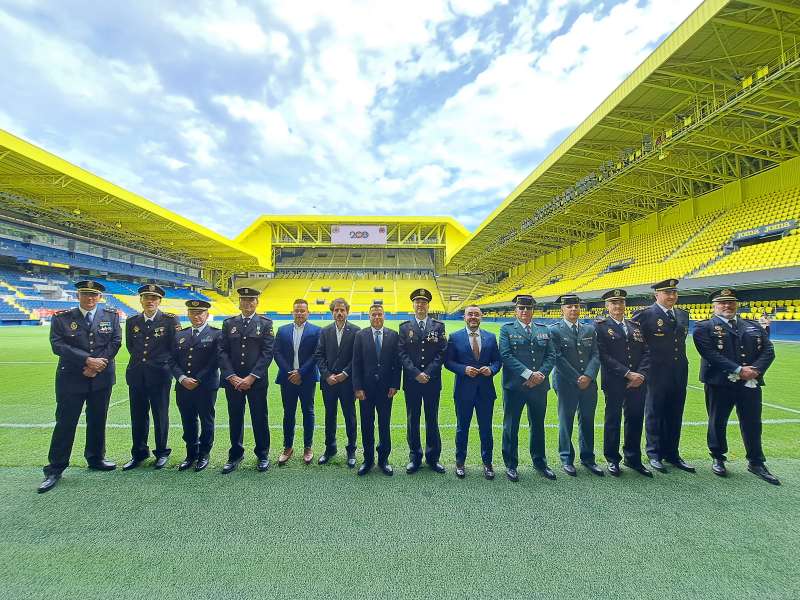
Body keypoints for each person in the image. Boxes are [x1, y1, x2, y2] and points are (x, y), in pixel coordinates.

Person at [38, 281, 121, 493]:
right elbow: (58, 345)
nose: (90, 298)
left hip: (101, 377)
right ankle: (55, 467)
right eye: (86, 294)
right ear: (78, 295)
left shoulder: (111, 316)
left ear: (100, 297)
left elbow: (115, 342)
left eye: (94, 295)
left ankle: (95, 458)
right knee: (66, 422)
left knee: (97, 420)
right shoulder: (62, 317)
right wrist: (87, 361)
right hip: (72, 377)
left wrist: (97, 365)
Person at [692, 288, 779, 485]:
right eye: (722, 303)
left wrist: (755, 370)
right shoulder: (703, 327)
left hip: (750, 382)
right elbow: (710, 354)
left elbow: (768, 350)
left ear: (736, 304)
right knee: (717, 421)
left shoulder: (752, 326)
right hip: (719, 383)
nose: (727, 306)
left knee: (752, 423)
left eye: (730, 302)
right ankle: (718, 457)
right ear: (714, 306)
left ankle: (756, 461)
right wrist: (739, 369)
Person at [631, 279, 695, 474]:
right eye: (667, 293)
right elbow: (637, 346)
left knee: (675, 413)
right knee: (654, 413)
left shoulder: (683, 315)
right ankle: (654, 453)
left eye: (674, 292)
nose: (671, 296)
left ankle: (672, 453)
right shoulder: (645, 315)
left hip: (678, 372)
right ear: (656, 295)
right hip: (655, 373)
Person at [122, 284, 181, 471]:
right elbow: (131, 347)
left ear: (159, 301)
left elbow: (175, 348)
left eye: (154, 298)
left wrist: (161, 364)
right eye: (146, 298)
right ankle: (138, 453)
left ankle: (162, 452)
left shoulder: (170, 320)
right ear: (140, 300)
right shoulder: (132, 321)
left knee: (160, 415)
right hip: (137, 374)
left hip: (160, 374)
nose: (150, 301)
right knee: (137, 416)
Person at [498, 294, 557, 482]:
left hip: (539, 387)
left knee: (538, 426)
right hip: (515, 387)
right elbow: (506, 356)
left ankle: (540, 462)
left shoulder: (544, 329)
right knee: (511, 426)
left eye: (528, 308)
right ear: (515, 310)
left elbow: (551, 355)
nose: (525, 311)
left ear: (533, 310)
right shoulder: (506, 330)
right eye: (521, 308)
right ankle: (511, 464)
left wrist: (540, 375)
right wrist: (528, 374)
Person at [594, 289, 651, 477]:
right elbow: (603, 356)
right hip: (615, 381)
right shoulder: (600, 326)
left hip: (638, 382)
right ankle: (612, 459)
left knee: (635, 419)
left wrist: (640, 374)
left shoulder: (635, 325)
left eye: (620, 303)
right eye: (613, 303)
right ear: (607, 306)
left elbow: (646, 352)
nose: (618, 306)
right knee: (613, 420)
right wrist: (628, 373)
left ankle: (633, 458)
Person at [218, 287, 274, 474]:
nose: (248, 303)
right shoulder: (229, 323)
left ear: (257, 302)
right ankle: (235, 454)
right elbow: (222, 351)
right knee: (235, 418)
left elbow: (267, 353)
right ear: (239, 302)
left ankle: (263, 454)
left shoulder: (265, 324)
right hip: (233, 382)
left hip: (255, 381)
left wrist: (251, 377)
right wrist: (231, 376)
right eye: (244, 300)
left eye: (252, 300)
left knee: (259, 417)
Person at [444, 305, 501, 479]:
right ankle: (460, 462)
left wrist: (491, 369)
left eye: (476, 314)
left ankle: (487, 463)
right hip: (463, 391)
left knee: (486, 429)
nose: (473, 317)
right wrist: (463, 369)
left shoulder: (491, 337)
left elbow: (497, 361)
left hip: (485, 391)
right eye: (470, 314)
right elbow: (448, 362)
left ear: (481, 317)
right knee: (462, 428)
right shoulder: (455, 337)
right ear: (465, 317)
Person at [548, 294, 602, 476]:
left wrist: (588, 376)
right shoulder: (554, 330)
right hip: (565, 382)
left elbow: (596, 355)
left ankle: (588, 458)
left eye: (576, 307)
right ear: (562, 310)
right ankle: (566, 458)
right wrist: (576, 377)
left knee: (587, 419)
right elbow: (557, 357)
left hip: (589, 382)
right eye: (569, 307)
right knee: (566, 419)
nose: (573, 310)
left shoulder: (589, 329)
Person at [398, 288, 448, 474]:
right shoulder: (405, 327)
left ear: (428, 305)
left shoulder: (438, 326)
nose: (420, 305)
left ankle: (433, 458)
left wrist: (427, 372)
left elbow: (442, 352)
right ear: (413, 305)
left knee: (432, 419)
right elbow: (401, 353)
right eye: (417, 302)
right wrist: (415, 373)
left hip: (432, 381)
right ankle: (415, 457)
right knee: (413, 419)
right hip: (412, 382)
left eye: (424, 302)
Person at [170, 300, 221, 472]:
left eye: (200, 313)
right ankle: (191, 454)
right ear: (188, 314)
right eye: (193, 312)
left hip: (205, 386)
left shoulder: (216, 334)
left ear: (207, 315)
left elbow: (214, 361)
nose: (197, 316)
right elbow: (171, 360)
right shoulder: (179, 335)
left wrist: (197, 379)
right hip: (183, 386)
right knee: (188, 420)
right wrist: (182, 378)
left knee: (207, 420)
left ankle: (204, 454)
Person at [351, 304, 401, 476]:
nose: (377, 317)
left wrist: (395, 385)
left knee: (384, 425)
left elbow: (397, 364)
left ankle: (383, 460)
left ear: (384, 316)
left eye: (379, 314)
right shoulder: (360, 335)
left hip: (386, 390)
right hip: (365, 390)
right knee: (366, 425)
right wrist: (357, 388)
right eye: (374, 315)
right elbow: (356, 364)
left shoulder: (393, 335)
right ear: (369, 317)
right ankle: (368, 459)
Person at [314, 298, 360, 467]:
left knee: (350, 417)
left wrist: (344, 374)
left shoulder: (356, 331)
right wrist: (327, 375)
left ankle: (351, 450)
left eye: (342, 310)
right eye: (336, 310)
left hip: (347, 383)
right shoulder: (324, 331)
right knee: (330, 416)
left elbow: (357, 357)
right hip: (329, 383)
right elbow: (319, 355)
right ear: (332, 312)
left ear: (347, 311)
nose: (339, 313)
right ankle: (330, 448)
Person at [275, 299, 321, 466]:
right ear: (292, 312)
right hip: (287, 378)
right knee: (288, 413)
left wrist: (300, 372)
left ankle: (308, 447)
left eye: (303, 311)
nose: (300, 313)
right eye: (297, 311)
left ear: (308, 312)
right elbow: (277, 352)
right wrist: (290, 372)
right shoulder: (282, 330)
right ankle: (288, 447)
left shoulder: (316, 331)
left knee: (308, 411)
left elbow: (316, 354)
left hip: (307, 378)